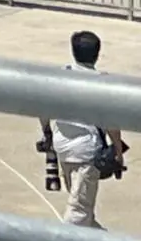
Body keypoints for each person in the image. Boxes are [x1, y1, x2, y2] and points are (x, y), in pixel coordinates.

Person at [37, 30, 126, 227]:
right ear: (97, 54)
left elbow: (42, 108)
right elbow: (111, 122)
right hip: (86, 153)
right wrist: (118, 150)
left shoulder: (60, 76)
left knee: (81, 211)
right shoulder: (102, 83)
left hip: (63, 150)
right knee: (78, 213)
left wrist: (47, 133)